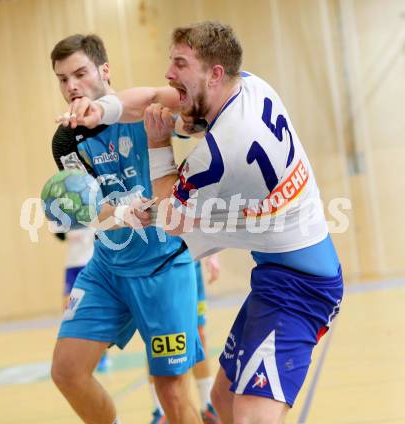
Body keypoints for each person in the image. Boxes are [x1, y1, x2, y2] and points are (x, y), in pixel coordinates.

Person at [65, 21, 344, 424]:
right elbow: (149, 97)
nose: (168, 73)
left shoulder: (220, 154)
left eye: (180, 64)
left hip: (302, 289)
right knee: (223, 399)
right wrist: (100, 111)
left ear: (213, 74)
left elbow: (169, 218)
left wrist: (159, 143)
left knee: (249, 416)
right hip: (275, 275)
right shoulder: (249, 85)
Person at [49, 34, 204, 424]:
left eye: (80, 73)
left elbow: (192, 113)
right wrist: (120, 213)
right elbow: (90, 208)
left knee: (170, 388)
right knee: (67, 371)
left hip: (162, 266)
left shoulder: (146, 109)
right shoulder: (67, 139)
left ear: (104, 71)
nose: (71, 86)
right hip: (107, 269)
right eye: (62, 79)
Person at [150, 255, 221, 424]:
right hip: (155, 264)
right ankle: (161, 410)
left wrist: (213, 254)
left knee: (198, 331)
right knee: (156, 336)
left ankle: (207, 405)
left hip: (188, 258)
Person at [54, 227, 111, 372]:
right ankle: (75, 352)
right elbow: (59, 235)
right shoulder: (64, 217)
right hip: (71, 268)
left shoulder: (89, 212)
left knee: (93, 312)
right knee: (69, 312)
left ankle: (102, 354)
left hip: (88, 265)